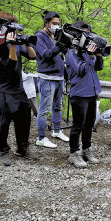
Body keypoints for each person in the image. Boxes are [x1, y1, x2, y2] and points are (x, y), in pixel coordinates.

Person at [0, 11, 37, 166]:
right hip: (0, 88)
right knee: (3, 121)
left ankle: (22, 148)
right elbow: (10, 65)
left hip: (17, 88)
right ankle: (2, 150)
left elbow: (33, 56)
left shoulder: (15, 42)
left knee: (24, 116)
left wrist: (26, 42)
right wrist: (13, 46)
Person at [64, 21, 103, 168]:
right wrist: (89, 55)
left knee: (89, 124)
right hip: (79, 93)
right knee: (78, 125)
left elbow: (99, 67)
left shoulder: (88, 52)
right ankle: (74, 153)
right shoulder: (71, 53)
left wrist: (97, 55)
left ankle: (86, 149)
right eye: (84, 34)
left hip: (92, 93)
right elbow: (81, 70)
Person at [34, 10, 69, 149]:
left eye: (58, 24)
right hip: (47, 77)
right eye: (54, 23)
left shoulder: (56, 36)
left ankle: (56, 130)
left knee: (57, 106)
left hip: (59, 77)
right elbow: (45, 55)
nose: (56, 26)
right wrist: (59, 45)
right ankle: (41, 137)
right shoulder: (39, 36)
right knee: (44, 109)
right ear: (46, 23)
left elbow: (63, 53)